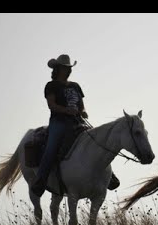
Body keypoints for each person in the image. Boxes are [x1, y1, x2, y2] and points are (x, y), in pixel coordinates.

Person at [31, 54, 119, 197]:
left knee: (97, 140)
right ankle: (40, 180)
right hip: (58, 122)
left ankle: (110, 176)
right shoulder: (51, 85)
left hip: (76, 121)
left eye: (69, 68)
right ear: (58, 69)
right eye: (65, 68)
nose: (67, 70)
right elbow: (51, 105)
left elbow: (82, 106)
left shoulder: (75, 86)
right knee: (51, 147)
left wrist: (83, 112)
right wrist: (66, 110)